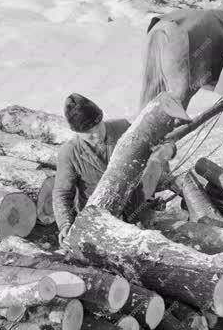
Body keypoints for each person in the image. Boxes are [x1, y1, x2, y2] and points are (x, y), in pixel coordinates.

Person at [52, 93, 172, 245]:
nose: (96, 134)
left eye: (97, 126)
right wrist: (65, 224)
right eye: (88, 132)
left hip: (138, 208)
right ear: (77, 132)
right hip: (99, 221)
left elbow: (155, 148)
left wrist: (164, 153)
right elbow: (62, 194)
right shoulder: (69, 153)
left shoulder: (122, 128)